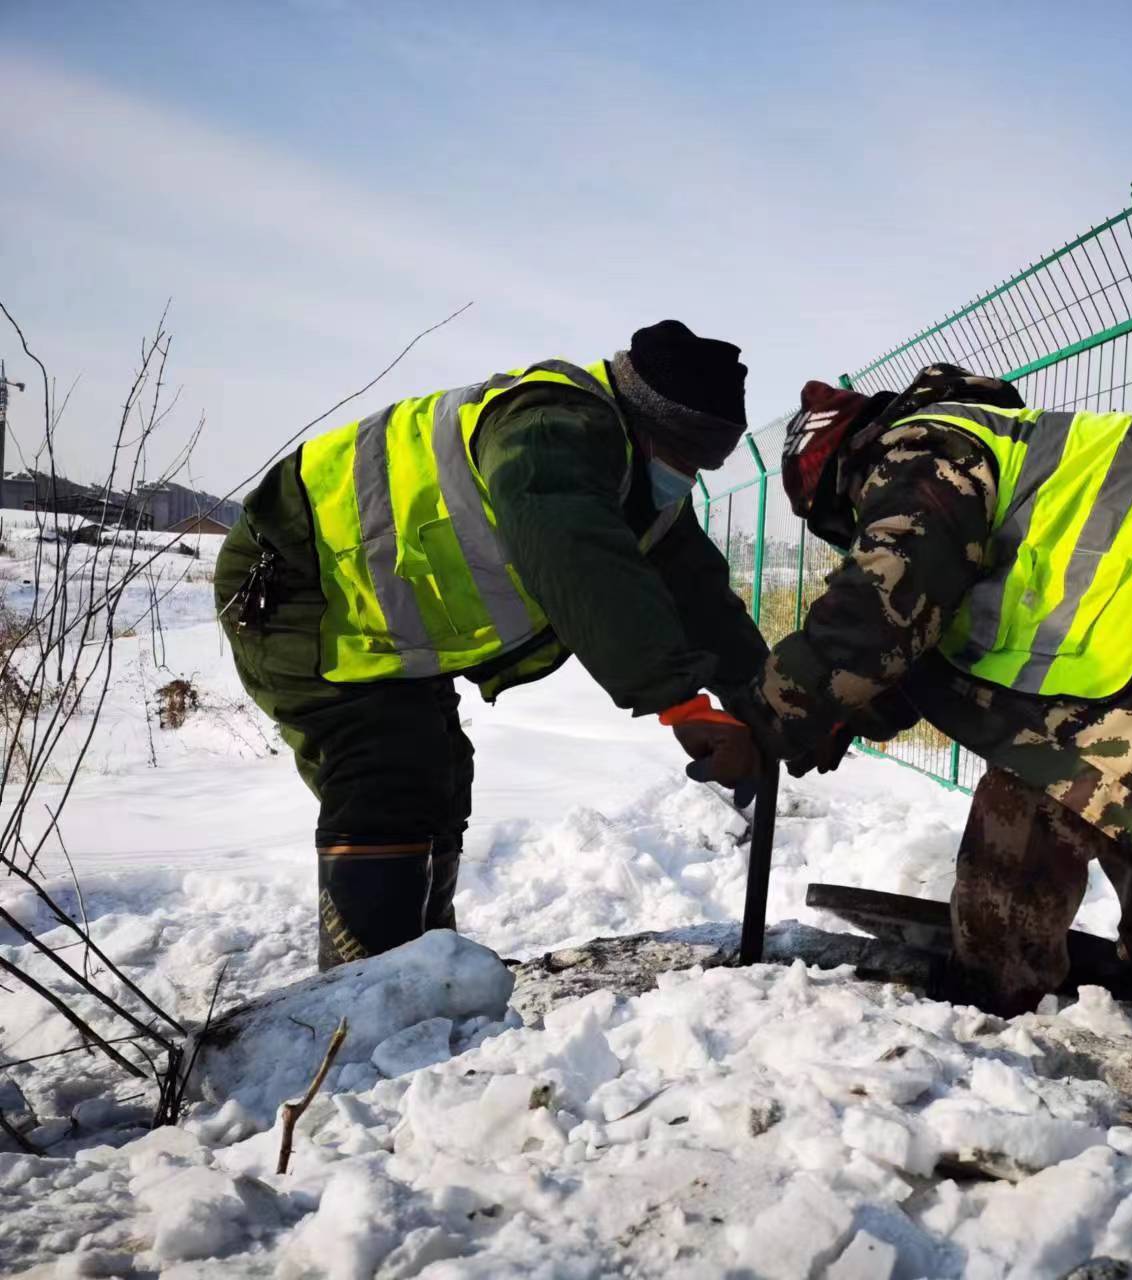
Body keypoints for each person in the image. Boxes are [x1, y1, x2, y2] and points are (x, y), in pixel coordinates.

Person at [726, 365, 1132, 1016]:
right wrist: (854, 706)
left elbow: (888, 597)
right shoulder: (987, 443)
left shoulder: (918, 446)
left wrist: (773, 708)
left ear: (834, 469)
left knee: (1048, 770)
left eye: (839, 524)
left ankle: (993, 997)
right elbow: (935, 622)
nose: (852, 533)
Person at [215, 321, 766, 969]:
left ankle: (423, 970)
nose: (689, 480)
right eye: (686, 459)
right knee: (384, 767)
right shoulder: (554, 429)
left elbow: (700, 596)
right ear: (649, 426)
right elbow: (579, 557)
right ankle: (367, 990)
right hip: (296, 579)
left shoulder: (640, 489)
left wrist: (765, 702)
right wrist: (679, 703)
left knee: (438, 771)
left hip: (376, 617)